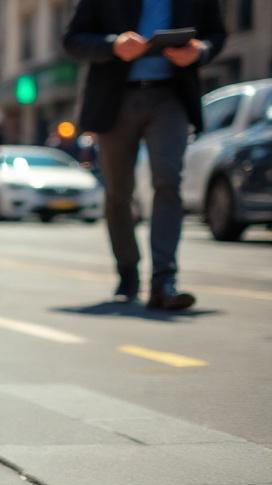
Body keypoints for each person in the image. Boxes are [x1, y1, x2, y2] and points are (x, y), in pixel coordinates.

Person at [63, 0, 226, 310]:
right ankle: (128, 274)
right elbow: (73, 40)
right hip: (115, 98)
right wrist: (113, 45)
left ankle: (164, 280)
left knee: (168, 182)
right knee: (118, 193)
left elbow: (216, 35)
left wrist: (200, 51)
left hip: (170, 96)